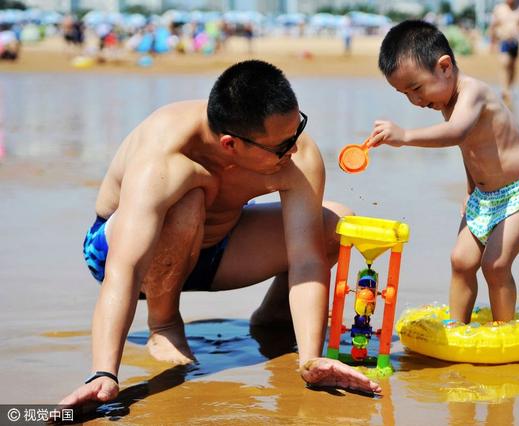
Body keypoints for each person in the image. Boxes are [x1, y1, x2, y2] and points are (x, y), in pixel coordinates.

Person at [59, 60, 381, 407]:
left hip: (217, 248)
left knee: (334, 224)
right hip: (122, 254)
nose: (294, 148)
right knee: (187, 203)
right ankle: (164, 324)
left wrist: (310, 358)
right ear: (230, 145)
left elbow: (306, 257)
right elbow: (126, 268)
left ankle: (275, 316)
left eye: (298, 129)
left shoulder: (295, 150)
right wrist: (104, 373)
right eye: (281, 145)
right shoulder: (165, 155)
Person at [367, 20, 519, 324]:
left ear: (445, 66)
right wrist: (469, 189)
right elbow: (470, 150)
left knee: (496, 264)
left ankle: (504, 328)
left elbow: (457, 133)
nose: (416, 100)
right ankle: (457, 326)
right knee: (460, 261)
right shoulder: (446, 102)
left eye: (417, 88)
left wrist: (406, 136)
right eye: (405, 94)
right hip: (483, 196)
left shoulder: (473, 93)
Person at [488, 0, 519, 101]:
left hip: (515, 41)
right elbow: (493, 26)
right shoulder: (499, 9)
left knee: (513, 67)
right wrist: (492, 42)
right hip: (503, 40)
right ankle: (505, 89)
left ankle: (510, 88)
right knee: (505, 63)